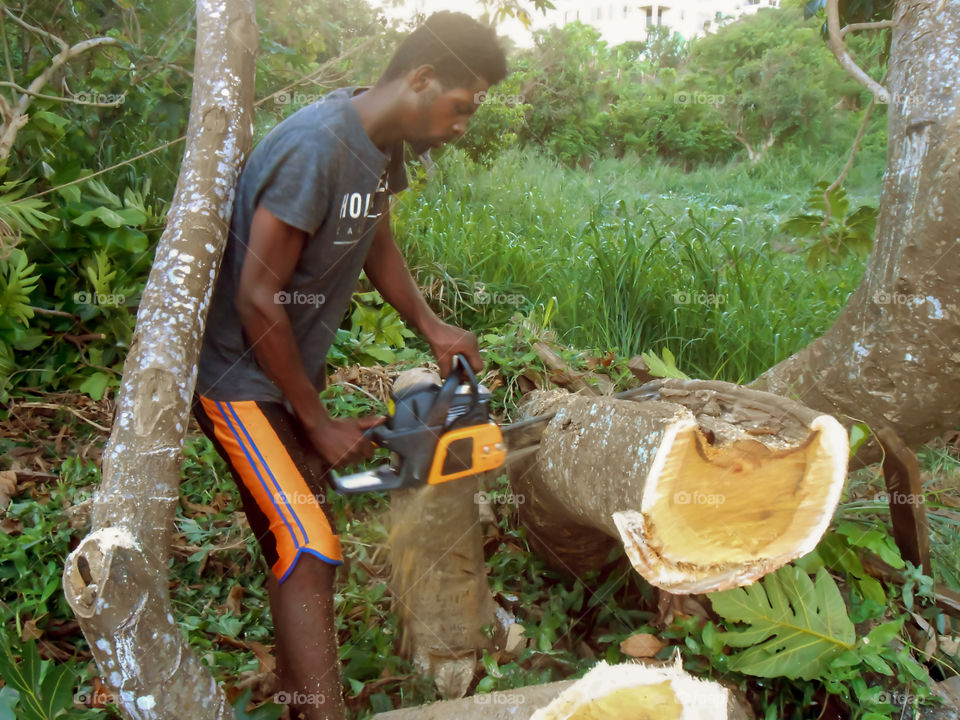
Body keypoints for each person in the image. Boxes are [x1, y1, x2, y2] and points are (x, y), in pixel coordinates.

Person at [190, 11, 507, 720]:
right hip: (239, 383)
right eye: (462, 107)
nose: (462, 126)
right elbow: (255, 294)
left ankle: (305, 697)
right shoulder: (317, 145)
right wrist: (316, 419)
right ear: (422, 79)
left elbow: (374, 239)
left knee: (300, 528)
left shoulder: (377, 145)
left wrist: (432, 326)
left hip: (282, 377)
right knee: (307, 542)